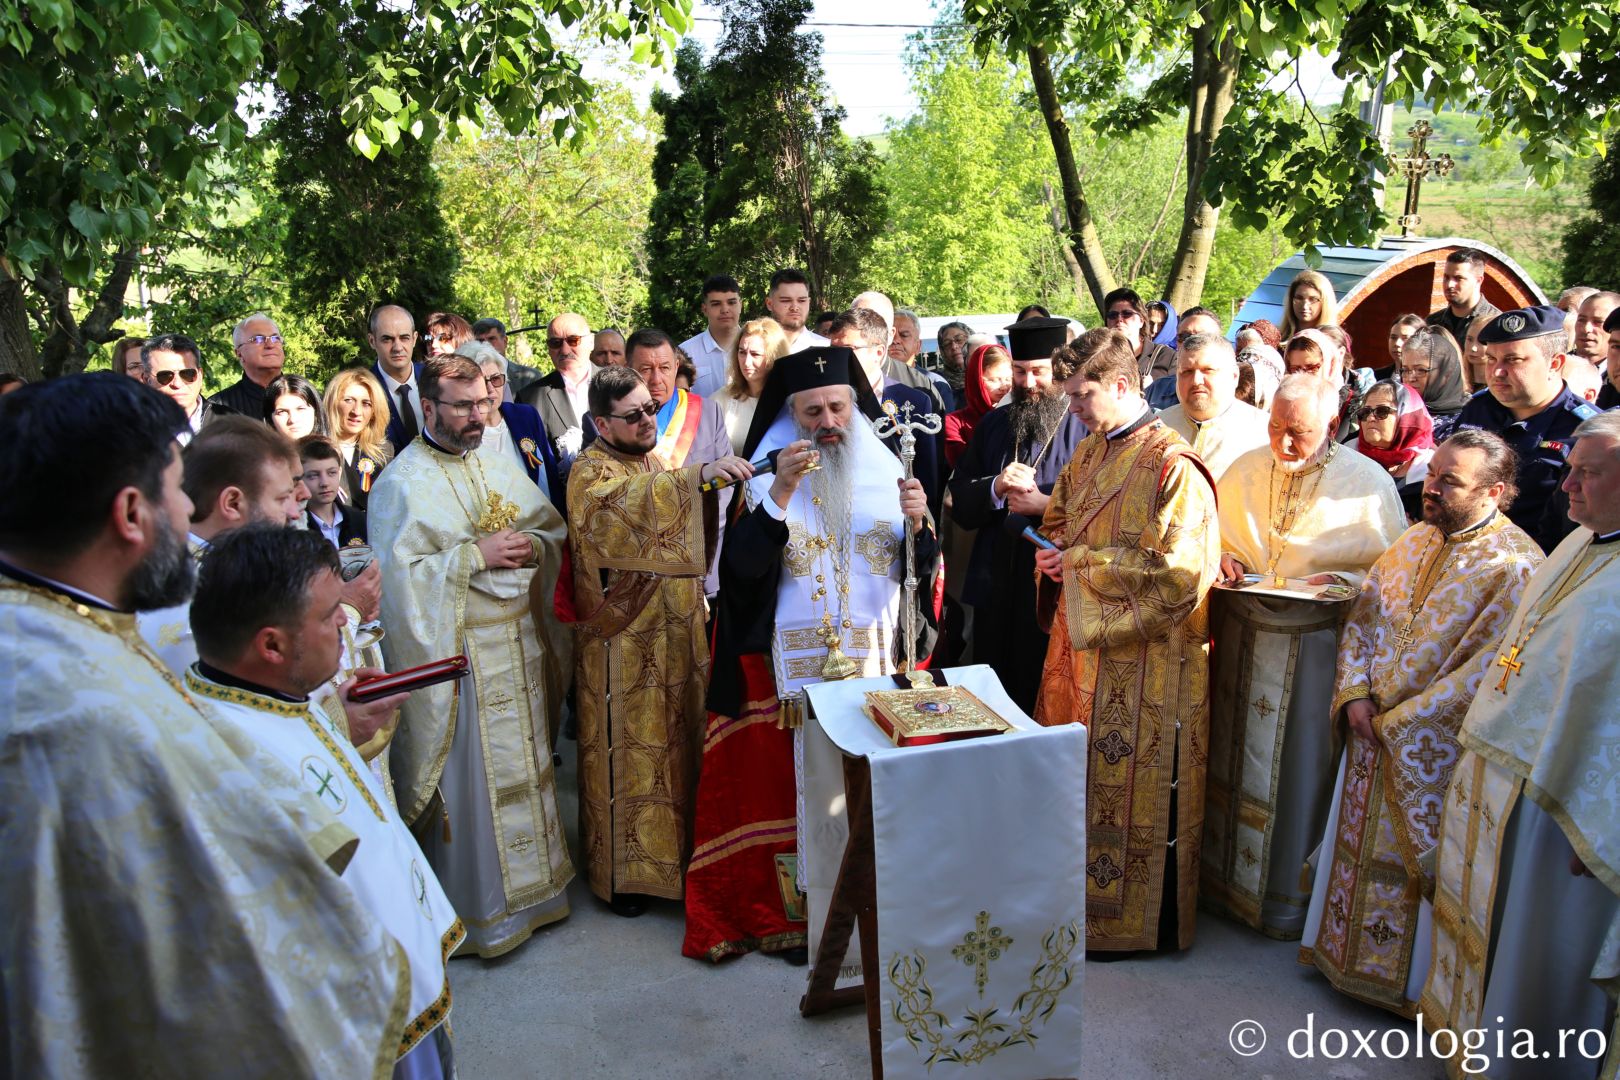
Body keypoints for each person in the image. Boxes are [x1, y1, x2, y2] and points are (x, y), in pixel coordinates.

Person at [0, 373, 408, 1075]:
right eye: (174, 493)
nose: (186, 513)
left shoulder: (41, 636)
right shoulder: (83, 711)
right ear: (132, 514)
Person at [684, 347, 930, 964]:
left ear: (856, 406)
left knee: (865, 791)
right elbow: (739, 574)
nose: (828, 420)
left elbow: (922, 581)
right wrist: (781, 492)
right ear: (793, 416)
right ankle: (794, 913)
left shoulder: (890, 472)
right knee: (788, 794)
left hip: (873, 668)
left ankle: (873, 905)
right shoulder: (768, 478)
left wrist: (922, 529)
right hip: (784, 677)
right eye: (812, 410)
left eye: (838, 406)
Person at [186, 525, 461, 1077]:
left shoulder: (261, 695)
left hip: (402, 988)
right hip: (363, 1031)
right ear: (271, 645)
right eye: (331, 612)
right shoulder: (233, 758)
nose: (346, 621)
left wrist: (336, 711)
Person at [1299, 430, 1541, 1018]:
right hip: (1368, 730)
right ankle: (1339, 958)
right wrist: (1355, 695)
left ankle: (1406, 987)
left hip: (1424, 746)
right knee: (1353, 848)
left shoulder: (1514, 566)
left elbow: (1484, 672)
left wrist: (1401, 722)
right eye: (1432, 473)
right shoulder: (1413, 539)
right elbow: (1364, 619)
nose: (1431, 487)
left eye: (1450, 481)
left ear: (1495, 492)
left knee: (1415, 869)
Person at [1421, 412, 1620, 1080]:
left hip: (1578, 817)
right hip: (1516, 781)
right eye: (1570, 470)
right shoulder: (1580, 542)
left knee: (1547, 945)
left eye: (1587, 473)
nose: (1566, 487)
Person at [369, 354, 575, 958]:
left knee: (530, 764)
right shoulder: (400, 484)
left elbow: (548, 529)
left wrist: (532, 547)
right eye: (461, 406)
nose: (476, 416)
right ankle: (482, 913)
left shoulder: (494, 453)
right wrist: (472, 557)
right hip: (459, 657)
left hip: (518, 641)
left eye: (483, 402)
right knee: (476, 785)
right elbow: (399, 585)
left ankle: (540, 893)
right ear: (428, 408)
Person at [1032, 328, 1221, 953]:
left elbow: (1183, 576)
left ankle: (1128, 925)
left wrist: (1081, 564)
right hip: (1078, 651)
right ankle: (1068, 905)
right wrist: (1055, 557)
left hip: (1143, 667)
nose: (1075, 409)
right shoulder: (1088, 451)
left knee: (1130, 793)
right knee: (1070, 782)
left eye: (1083, 396)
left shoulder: (1174, 464)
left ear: (1121, 384)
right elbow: (1060, 522)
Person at [1203, 374, 1405, 938]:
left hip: (1316, 647)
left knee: (1297, 768)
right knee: (1228, 755)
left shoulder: (1366, 483)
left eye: (1300, 433)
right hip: (1240, 639)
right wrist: (1221, 556)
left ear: (1333, 427)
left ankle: (1283, 901)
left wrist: (1344, 581)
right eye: (1275, 427)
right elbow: (1206, 537)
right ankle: (1222, 885)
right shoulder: (1243, 466)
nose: (1284, 443)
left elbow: (1390, 576)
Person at [567, 367, 752, 917]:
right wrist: (694, 478)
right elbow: (610, 512)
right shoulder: (588, 471)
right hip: (620, 648)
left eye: (652, 408)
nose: (649, 420)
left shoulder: (648, 460)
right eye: (634, 415)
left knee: (676, 743)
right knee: (630, 755)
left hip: (672, 632)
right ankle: (624, 876)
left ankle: (677, 858)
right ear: (602, 422)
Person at [948, 317, 1087, 712]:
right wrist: (995, 486)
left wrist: (1045, 504)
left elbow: (1105, 502)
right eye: (1020, 371)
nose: (1027, 383)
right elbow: (960, 499)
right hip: (996, 581)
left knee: (1043, 689)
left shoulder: (1083, 425)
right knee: (992, 692)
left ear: (1059, 370)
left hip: (1053, 584)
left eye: (1039, 372)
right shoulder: (994, 425)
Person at [1452, 304, 1600, 553]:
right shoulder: (1477, 409)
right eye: (1491, 359)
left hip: (1535, 564)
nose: (1497, 372)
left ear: (1555, 363)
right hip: (1463, 556)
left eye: (1513, 360)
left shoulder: (1586, 430)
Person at [826, 308, 943, 515]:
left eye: (848, 350)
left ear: (879, 352)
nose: (837, 359)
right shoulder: (822, 401)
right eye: (833, 350)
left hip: (895, 516)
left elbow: (927, 479)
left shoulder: (914, 402)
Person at [1160, 332, 1270, 481]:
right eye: (1187, 372)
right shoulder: (1158, 427)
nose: (1196, 380)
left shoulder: (1264, 433)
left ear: (1234, 376)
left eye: (1208, 370)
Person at [460, 340, 559, 504]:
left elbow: (550, 474)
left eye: (496, 379)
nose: (491, 389)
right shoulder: (461, 429)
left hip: (540, 523)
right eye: (482, 382)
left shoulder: (525, 416)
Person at [518, 311, 597, 470]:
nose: (565, 349)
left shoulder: (620, 384)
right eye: (555, 343)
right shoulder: (529, 399)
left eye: (573, 340)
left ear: (591, 342)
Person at [850, 290, 949, 412]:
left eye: (877, 324)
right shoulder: (834, 378)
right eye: (861, 323)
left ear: (890, 334)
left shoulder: (922, 385)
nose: (868, 330)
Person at [713, 316, 789, 453]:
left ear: (774, 357)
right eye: (742, 352)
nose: (746, 362)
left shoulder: (792, 402)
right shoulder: (719, 400)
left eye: (755, 354)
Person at [322, 367, 394, 511]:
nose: (357, 411)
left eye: (366, 403)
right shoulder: (315, 451)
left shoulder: (384, 452)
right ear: (333, 403)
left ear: (374, 411)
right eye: (348, 400)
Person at [142, 333, 225, 445]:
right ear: (146, 380)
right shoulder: (131, 430)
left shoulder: (232, 422)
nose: (177, 383)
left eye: (187, 374)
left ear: (200, 376)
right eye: (165, 376)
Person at [1354, 378, 1436, 493]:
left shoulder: (1432, 466)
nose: (1370, 418)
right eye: (1365, 412)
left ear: (1407, 417)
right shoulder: (1346, 455)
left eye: (1382, 411)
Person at [942, 342, 1012, 469]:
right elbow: (963, 466)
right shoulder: (954, 423)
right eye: (994, 380)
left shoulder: (1020, 414)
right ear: (976, 381)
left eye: (1008, 379)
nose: (1004, 386)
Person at [1396, 325, 1471, 439]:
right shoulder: (1393, 410)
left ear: (1447, 373)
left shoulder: (1467, 421)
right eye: (1405, 370)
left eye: (1421, 370)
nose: (1410, 378)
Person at [369, 303, 425, 451]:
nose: (398, 347)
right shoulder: (364, 390)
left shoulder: (437, 380)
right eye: (387, 339)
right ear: (372, 341)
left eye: (404, 338)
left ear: (414, 339)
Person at [680, 274, 743, 398]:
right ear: (704, 309)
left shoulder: (758, 349)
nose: (725, 309)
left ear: (741, 305)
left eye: (731, 302)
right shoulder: (686, 353)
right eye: (716, 304)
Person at [1426, 249, 1501, 353]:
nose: (1449, 285)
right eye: (1446, 277)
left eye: (1458, 278)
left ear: (1478, 281)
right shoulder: (1432, 323)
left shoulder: (1496, 323)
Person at [213, 312, 285, 418]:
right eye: (258, 339)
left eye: (275, 338)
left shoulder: (306, 398)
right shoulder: (218, 408)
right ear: (239, 353)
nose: (270, 345)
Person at [300, 436, 367, 548]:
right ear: (300, 478)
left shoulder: (358, 519)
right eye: (313, 475)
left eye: (332, 473)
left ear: (340, 473)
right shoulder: (296, 527)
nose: (324, 483)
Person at [1102, 287, 1176, 385]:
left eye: (1127, 314)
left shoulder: (1167, 357)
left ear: (1141, 321)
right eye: (1113, 315)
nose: (1119, 319)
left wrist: (1155, 388)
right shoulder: (1099, 357)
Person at [891, 308, 953, 403]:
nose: (895, 340)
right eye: (890, 335)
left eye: (904, 335)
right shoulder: (871, 381)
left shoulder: (935, 384)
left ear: (918, 346)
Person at [473, 316, 543, 399]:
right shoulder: (470, 379)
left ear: (505, 341)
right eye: (480, 341)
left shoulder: (530, 378)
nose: (486, 345)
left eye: (491, 339)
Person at [763, 268, 829, 353]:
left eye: (801, 300)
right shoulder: (753, 349)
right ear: (769, 304)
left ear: (809, 302)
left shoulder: (827, 348)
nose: (794, 307)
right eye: (786, 300)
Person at [264, 373, 327, 439]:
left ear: (316, 411)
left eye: (301, 409)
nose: (293, 419)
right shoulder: (257, 449)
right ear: (270, 419)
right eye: (282, 412)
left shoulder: (334, 448)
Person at [1279, 270, 1339, 338]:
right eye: (1299, 298)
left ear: (1325, 303)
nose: (1305, 306)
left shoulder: (1335, 341)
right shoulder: (1277, 337)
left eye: (1313, 299)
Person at [1573, 290, 1620, 365]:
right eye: (1581, 320)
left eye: (1598, 322)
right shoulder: (1553, 369)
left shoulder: (1616, 374)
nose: (1586, 329)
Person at [936, 319, 973, 410]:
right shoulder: (938, 382)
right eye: (947, 344)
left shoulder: (987, 377)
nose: (954, 346)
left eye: (959, 340)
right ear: (942, 351)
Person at [1385, 313, 1426, 380]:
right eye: (1393, 337)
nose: (1397, 343)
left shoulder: (1425, 379)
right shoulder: (1376, 376)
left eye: (1405, 338)